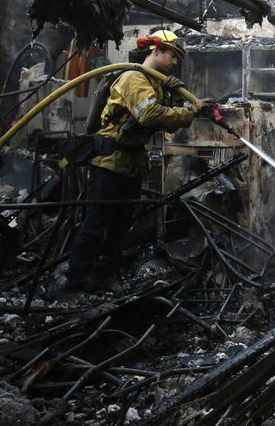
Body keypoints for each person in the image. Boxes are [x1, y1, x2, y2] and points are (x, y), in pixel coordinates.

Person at [63, 29, 205, 294]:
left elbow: (163, 120)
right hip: (109, 162)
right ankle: (75, 283)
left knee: (119, 226)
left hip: (131, 163)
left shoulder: (154, 85)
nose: (175, 63)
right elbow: (150, 115)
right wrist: (187, 113)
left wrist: (173, 97)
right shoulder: (133, 78)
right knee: (95, 224)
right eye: (173, 56)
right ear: (156, 50)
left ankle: (103, 277)